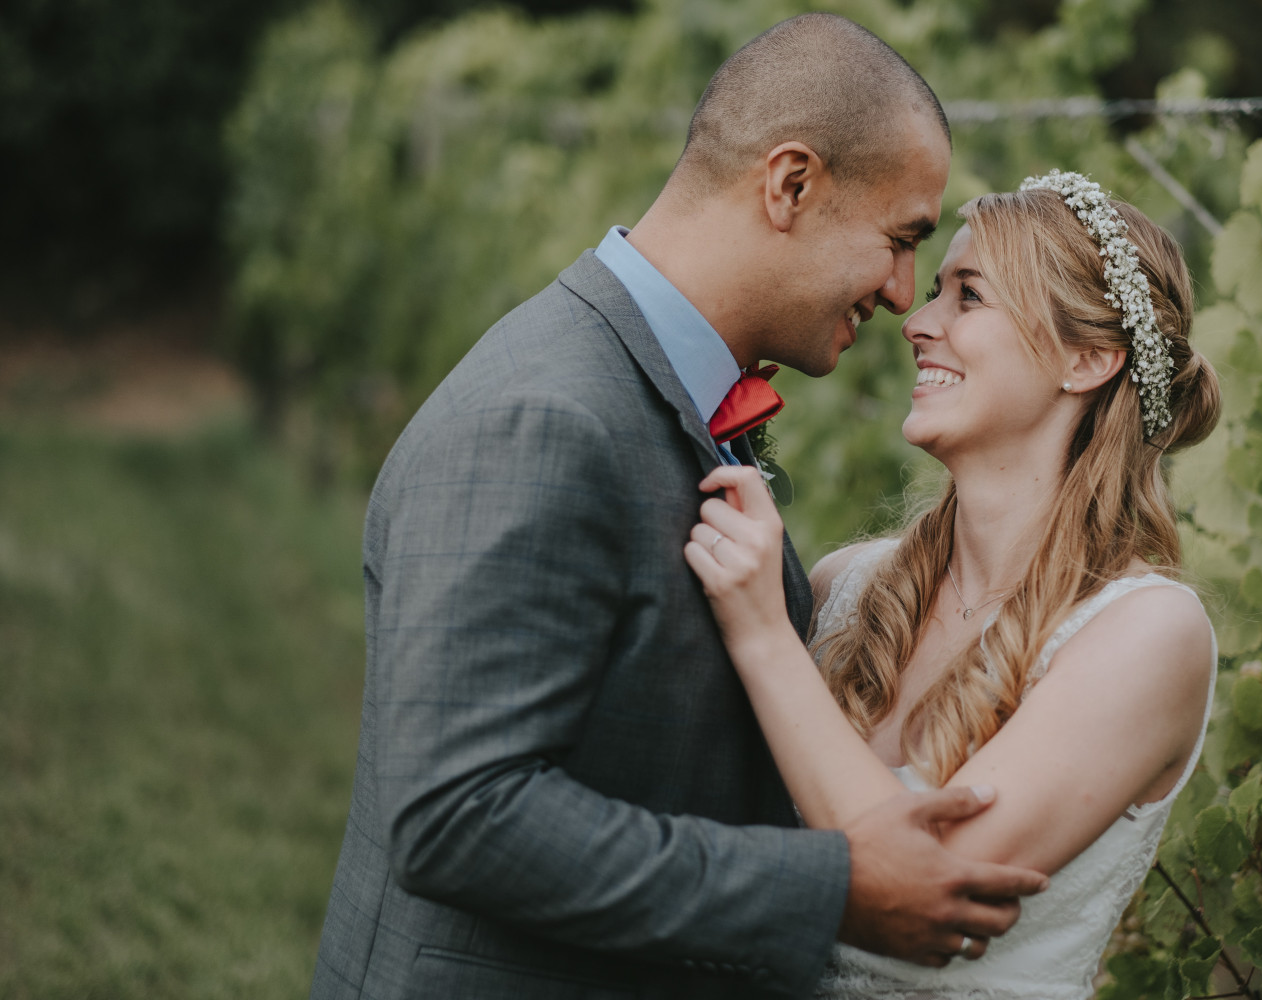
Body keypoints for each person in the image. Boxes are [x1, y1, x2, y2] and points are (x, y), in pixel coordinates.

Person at [308, 14, 1051, 1000]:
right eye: (901, 237)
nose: (902, 290)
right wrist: (827, 889)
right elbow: (457, 812)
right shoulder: (546, 415)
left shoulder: (663, 389)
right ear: (790, 185)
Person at [685, 172, 1222, 999]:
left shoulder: (1147, 635)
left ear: (1086, 359)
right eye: (934, 291)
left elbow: (927, 891)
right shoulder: (846, 590)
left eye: (968, 297)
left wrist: (760, 635)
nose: (918, 324)